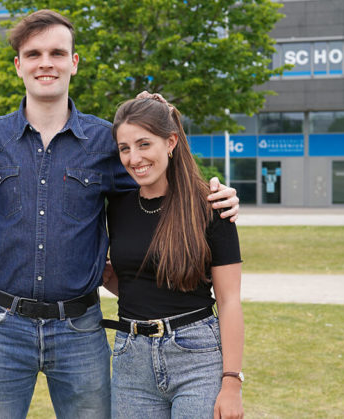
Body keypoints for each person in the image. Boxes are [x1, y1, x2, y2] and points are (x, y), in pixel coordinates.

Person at [0, 10, 240, 418]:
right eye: (34, 53)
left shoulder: (107, 144)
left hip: (80, 327)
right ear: (19, 65)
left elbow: (158, 177)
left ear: (74, 62)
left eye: (57, 52)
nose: (46, 63)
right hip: (2, 327)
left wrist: (213, 194)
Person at [101, 92, 244, 419]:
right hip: (131, 356)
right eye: (125, 148)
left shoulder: (211, 205)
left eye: (144, 144)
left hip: (197, 357)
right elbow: (134, 280)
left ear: (170, 142)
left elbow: (229, 299)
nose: (134, 158)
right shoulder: (118, 206)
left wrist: (232, 382)